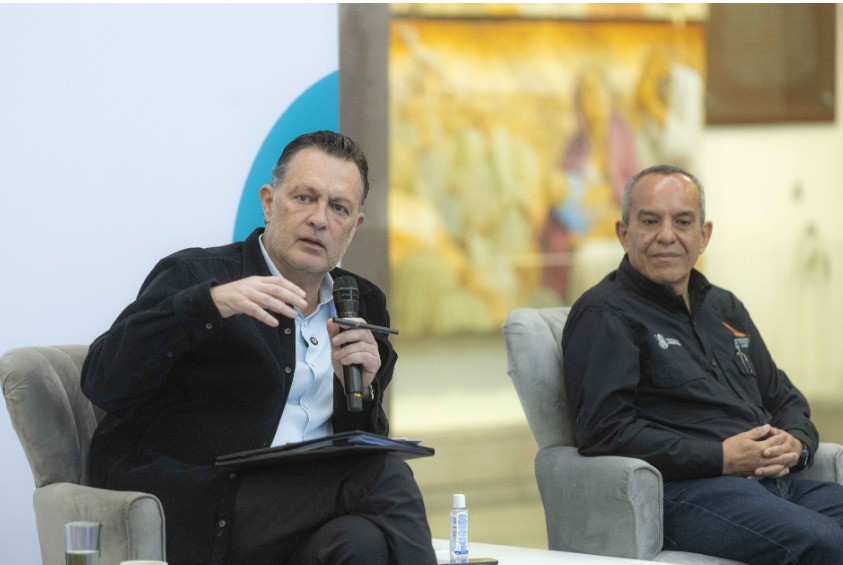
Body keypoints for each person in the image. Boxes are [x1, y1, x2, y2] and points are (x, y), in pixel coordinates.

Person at [82, 131, 437, 565]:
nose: (319, 219)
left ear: (354, 226)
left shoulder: (362, 302)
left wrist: (360, 390)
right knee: (386, 476)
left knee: (362, 543)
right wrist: (208, 306)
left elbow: (361, 442)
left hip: (302, 514)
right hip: (205, 505)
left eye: (338, 207)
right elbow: (103, 382)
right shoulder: (198, 276)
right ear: (269, 202)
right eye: (304, 198)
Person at [562, 164, 843, 563]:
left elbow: (785, 398)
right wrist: (719, 457)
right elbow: (603, 430)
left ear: (703, 235)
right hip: (691, 493)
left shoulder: (724, 307)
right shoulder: (604, 313)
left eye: (682, 221)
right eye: (650, 221)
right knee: (825, 542)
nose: (667, 235)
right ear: (624, 233)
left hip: (775, 485)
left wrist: (797, 443)